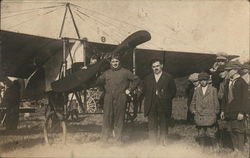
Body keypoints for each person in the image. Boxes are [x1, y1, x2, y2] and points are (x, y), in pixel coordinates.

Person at [95, 55, 140, 144]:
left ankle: (118, 140)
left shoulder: (125, 72)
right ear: (110, 63)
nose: (114, 63)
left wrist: (129, 90)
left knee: (119, 119)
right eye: (113, 61)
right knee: (107, 118)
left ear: (119, 62)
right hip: (108, 98)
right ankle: (104, 140)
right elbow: (98, 81)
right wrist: (104, 90)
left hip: (121, 97)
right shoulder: (106, 73)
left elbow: (137, 79)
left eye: (116, 61)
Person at [139, 58, 176, 145]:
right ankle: (153, 142)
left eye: (157, 66)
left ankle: (163, 141)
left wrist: (165, 97)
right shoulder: (147, 78)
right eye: (153, 66)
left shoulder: (168, 77)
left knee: (164, 123)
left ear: (161, 66)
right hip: (151, 105)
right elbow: (143, 91)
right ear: (151, 68)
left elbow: (173, 91)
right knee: (152, 124)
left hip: (164, 105)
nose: (156, 68)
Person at [221, 61, 248, 151]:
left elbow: (245, 100)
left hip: (238, 112)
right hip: (229, 111)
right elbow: (225, 98)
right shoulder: (227, 82)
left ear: (236, 70)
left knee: (239, 130)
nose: (227, 72)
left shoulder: (242, 83)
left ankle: (240, 150)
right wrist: (222, 110)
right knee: (231, 130)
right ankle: (235, 149)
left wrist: (242, 112)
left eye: (229, 70)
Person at [190, 72, 220, 145]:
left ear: (207, 80)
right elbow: (193, 101)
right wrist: (193, 111)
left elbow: (216, 102)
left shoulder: (213, 90)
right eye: (201, 80)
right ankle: (202, 148)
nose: (203, 82)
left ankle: (213, 147)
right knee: (201, 133)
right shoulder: (197, 90)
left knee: (211, 132)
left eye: (204, 80)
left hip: (210, 114)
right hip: (199, 114)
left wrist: (216, 112)